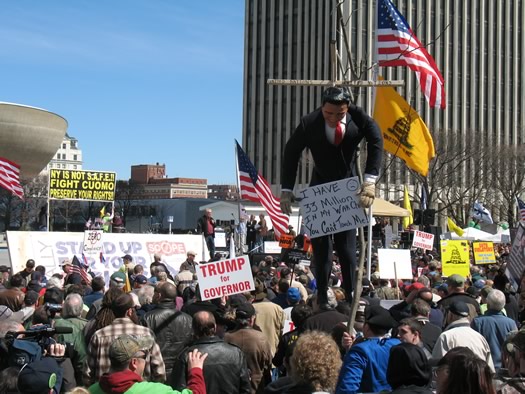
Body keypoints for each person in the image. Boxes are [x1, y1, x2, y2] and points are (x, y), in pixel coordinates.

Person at [280, 87, 383, 305]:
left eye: (339, 114)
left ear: (347, 108)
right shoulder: (310, 122)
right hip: (320, 188)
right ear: (322, 107)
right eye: (328, 113)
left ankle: (350, 294)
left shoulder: (359, 117)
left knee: (347, 249)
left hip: (347, 187)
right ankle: (322, 293)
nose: (333, 118)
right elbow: (291, 152)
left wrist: (370, 181)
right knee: (321, 249)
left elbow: (376, 141)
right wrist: (286, 190)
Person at [84, 292, 166, 385]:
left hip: (105, 389)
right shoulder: (145, 334)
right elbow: (159, 370)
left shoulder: (99, 335)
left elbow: (88, 372)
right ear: (130, 311)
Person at [88, 334, 207, 394]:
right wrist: (195, 371)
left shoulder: (91, 391)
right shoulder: (155, 391)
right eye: (145, 356)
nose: (146, 361)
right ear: (134, 363)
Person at [171, 311, 251, 393]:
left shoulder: (187, 355)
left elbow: (179, 388)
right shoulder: (236, 353)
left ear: (194, 329)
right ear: (215, 327)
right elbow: (245, 389)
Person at [336, 305, 400, 393]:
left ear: (366, 326)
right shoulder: (398, 344)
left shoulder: (359, 351)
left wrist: (351, 351)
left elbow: (348, 388)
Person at [142, 282, 193, 384]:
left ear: (159, 295)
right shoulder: (188, 319)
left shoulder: (147, 318)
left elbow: (144, 347)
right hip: (181, 371)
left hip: (157, 371)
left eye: (155, 292)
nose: (153, 295)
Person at [431, 300, 494, 372]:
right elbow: (490, 370)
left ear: (450, 315)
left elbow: (438, 367)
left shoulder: (446, 336)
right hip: (478, 381)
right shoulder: (480, 337)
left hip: (455, 382)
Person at [224, 302, 273, 393]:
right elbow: (268, 364)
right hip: (255, 387)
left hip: (233, 387)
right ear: (251, 319)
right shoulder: (261, 338)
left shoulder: (226, 337)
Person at [471, 288, 517, 369]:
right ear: (504, 304)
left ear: (487, 304)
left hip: (484, 368)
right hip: (505, 369)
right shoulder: (511, 323)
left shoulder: (477, 322)